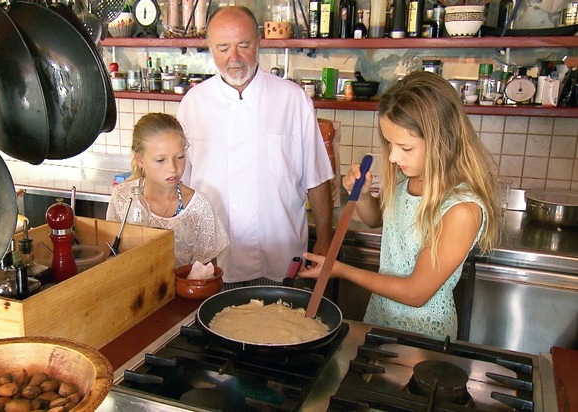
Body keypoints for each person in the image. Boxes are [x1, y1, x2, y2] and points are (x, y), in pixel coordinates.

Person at [300, 71, 502, 339]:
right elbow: (376, 219)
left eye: (405, 148)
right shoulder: (405, 178)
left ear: (443, 140)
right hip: (380, 320)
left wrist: (338, 269)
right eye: (389, 144)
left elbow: (415, 293)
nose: (393, 157)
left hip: (422, 337)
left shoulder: (461, 209)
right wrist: (361, 195)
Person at [177, 5, 334, 288]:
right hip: (215, 261)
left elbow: (318, 177)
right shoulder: (193, 103)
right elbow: (182, 186)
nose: (234, 58)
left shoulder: (292, 99)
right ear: (210, 48)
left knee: (284, 318)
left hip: (281, 258)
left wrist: (325, 239)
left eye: (244, 45)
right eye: (223, 48)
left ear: (259, 43)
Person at [106, 113, 229, 268]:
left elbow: (207, 272)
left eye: (180, 157)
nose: (172, 168)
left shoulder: (199, 207)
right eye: (160, 160)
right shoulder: (122, 197)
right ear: (140, 160)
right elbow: (111, 257)